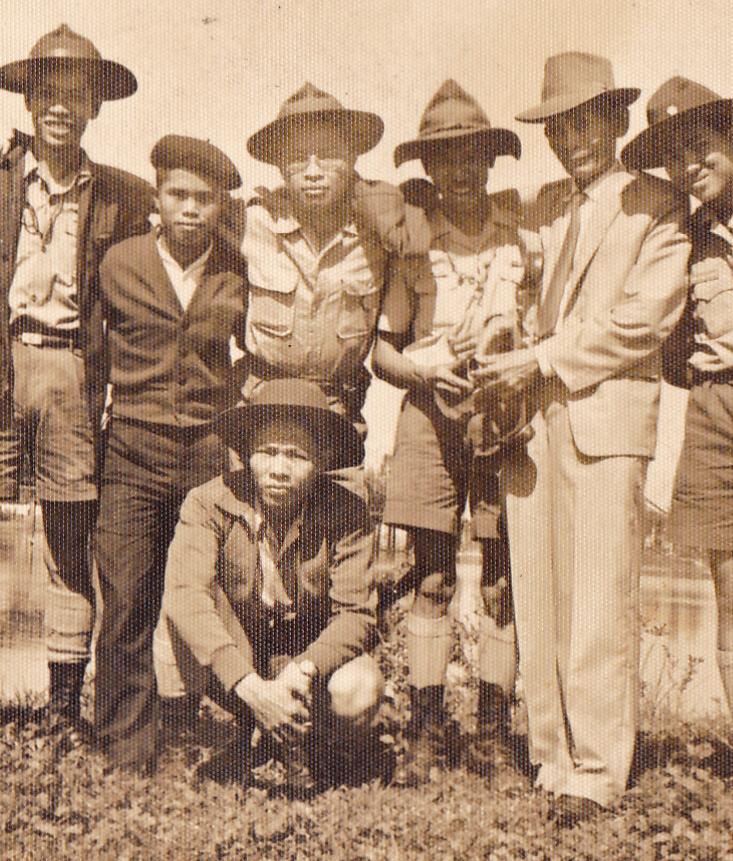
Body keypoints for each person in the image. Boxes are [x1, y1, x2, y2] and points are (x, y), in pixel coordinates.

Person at [0, 24, 152, 762]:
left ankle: (61, 714)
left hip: (71, 373)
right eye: (47, 92)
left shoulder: (125, 196)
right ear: (27, 100)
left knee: (68, 550)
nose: (60, 107)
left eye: (76, 95)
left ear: (95, 108)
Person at [473, 52, 691, 825]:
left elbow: (643, 320)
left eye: (585, 124)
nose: (572, 141)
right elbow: (519, 289)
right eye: (558, 129)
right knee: (536, 591)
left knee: (598, 596)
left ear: (616, 120)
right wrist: (501, 331)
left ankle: (597, 771)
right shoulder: (541, 206)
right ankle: (551, 755)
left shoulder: (658, 205)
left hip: (606, 420)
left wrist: (537, 358)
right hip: (533, 423)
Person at [623, 76, 733, 801]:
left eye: (700, 145)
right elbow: (670, 350)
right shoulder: (679, 237)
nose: (689, 164)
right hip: (716, 413)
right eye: (674, 155)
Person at [372, 80, 526, 784]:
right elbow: (382, 350)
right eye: (444, 159)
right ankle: (424, 731)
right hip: (429, 418)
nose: (459, 171)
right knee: (432, 577)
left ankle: (491, 733)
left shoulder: (524, 235)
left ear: (489, 161)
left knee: (500, 583)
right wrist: (424, 373)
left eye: (471, 156)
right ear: (428, 168)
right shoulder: (412, 242)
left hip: (504, 419)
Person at [91, 135, 248, 773]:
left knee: (203, 592)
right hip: (132, 447)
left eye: (203, 198)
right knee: (128, 595)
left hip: (207, 452)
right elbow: (92, 356)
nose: (189, 208)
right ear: (156, 199)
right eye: (177, 195)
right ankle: (125, 747)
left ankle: (198, 726)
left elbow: (253, 356)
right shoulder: (118, 262)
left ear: (219, 206)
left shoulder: (237, 269)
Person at [159, 378, 383, 790]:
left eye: (297, 456)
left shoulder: (348, 512)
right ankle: (181, 743)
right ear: (247, 454)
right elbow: (185, 594)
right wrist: (249, 686)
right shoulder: (207, 501)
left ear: (322, 460)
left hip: (304, 654)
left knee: (359, 688)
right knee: (175, 620)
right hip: (238, 645)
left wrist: (303, 670)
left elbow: (357, 615)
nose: (279, 469)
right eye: (267, 452)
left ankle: (315, 747)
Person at [239, 82, 428, 435]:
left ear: (352, 159)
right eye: (297, 158)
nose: (313, 171)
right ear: (279, 166)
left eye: (328, 155)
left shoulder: (381, 233)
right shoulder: (252, 224)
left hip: (338, 410)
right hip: (261, 406)